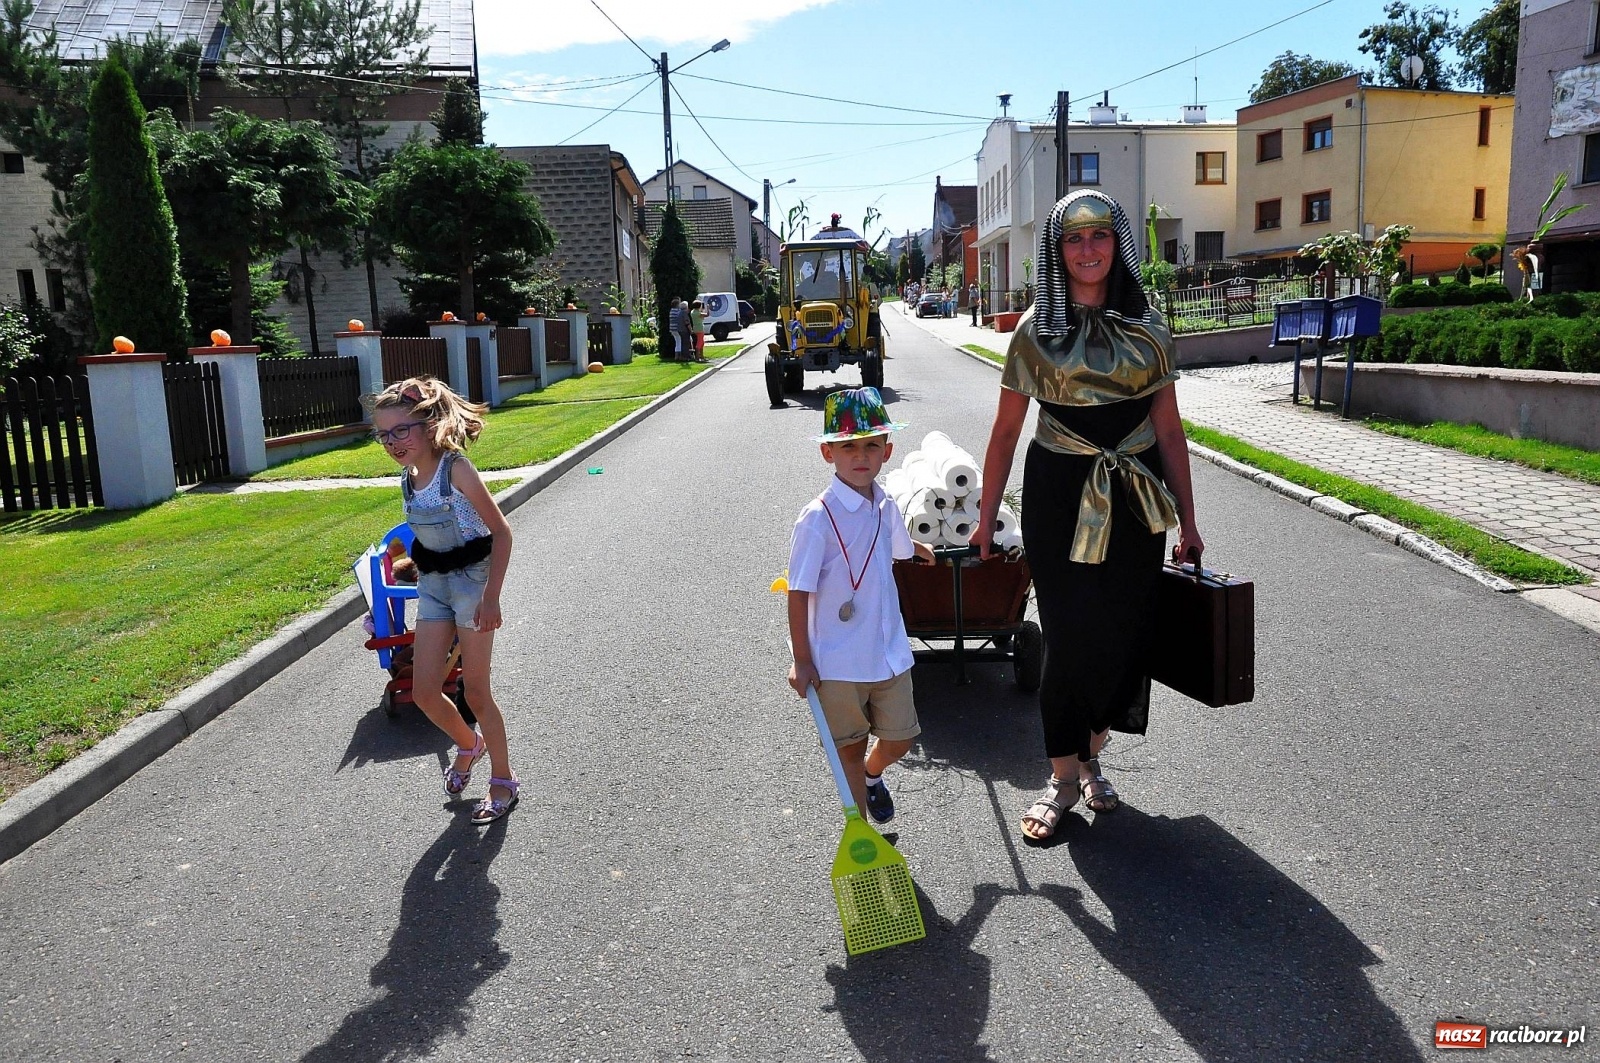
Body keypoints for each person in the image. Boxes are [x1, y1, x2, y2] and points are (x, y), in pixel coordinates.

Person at [969, 189, 1205, 841]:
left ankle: (1094, 753)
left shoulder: (1150, 327)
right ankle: (1064, 776)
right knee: (1070, 638)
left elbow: (1170, 430)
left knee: (1125, 634)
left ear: (1118, 241)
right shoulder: (1033, 333)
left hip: (1134, 496)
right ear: (1057, 250)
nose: (1088, 249)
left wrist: (1189, 521)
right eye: (1073, 239)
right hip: (1060, 494)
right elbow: (1005, 432)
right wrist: (987, 518)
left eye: (1099, 235)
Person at [369, 377, 521, 825]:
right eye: (384, 434)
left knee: (475, 690)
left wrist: (491, 598)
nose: (393, 442)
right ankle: (469, 745)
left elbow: (502, 533)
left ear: (428, 424)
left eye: (402, 430)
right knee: (424, 690)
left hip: (474, 583)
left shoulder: (456, 470)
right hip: (435, 583)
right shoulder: (407, 478)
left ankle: (503, 777)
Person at [786, 387, 935, 823]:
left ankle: (874, 775)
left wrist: (921, 547)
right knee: (848, 749)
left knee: (901, 741)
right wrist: (802, 659)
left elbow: (899, 548)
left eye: (872, 445)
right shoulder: (816, 518)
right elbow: (798, 591)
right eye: (848, 446)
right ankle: (862, 836)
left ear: (888, 451)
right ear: (827, 453)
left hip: (887, 651)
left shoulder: (884, 501)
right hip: (837, 660)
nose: (861, 456)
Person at [667, 297, 689, 361]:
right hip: (677, 328)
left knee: (677, 341)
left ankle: (676, 356)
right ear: (677, 305)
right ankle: (679, 356)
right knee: (679, 342)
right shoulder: (678, 311)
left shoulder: (671, 311)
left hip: (672, 329)